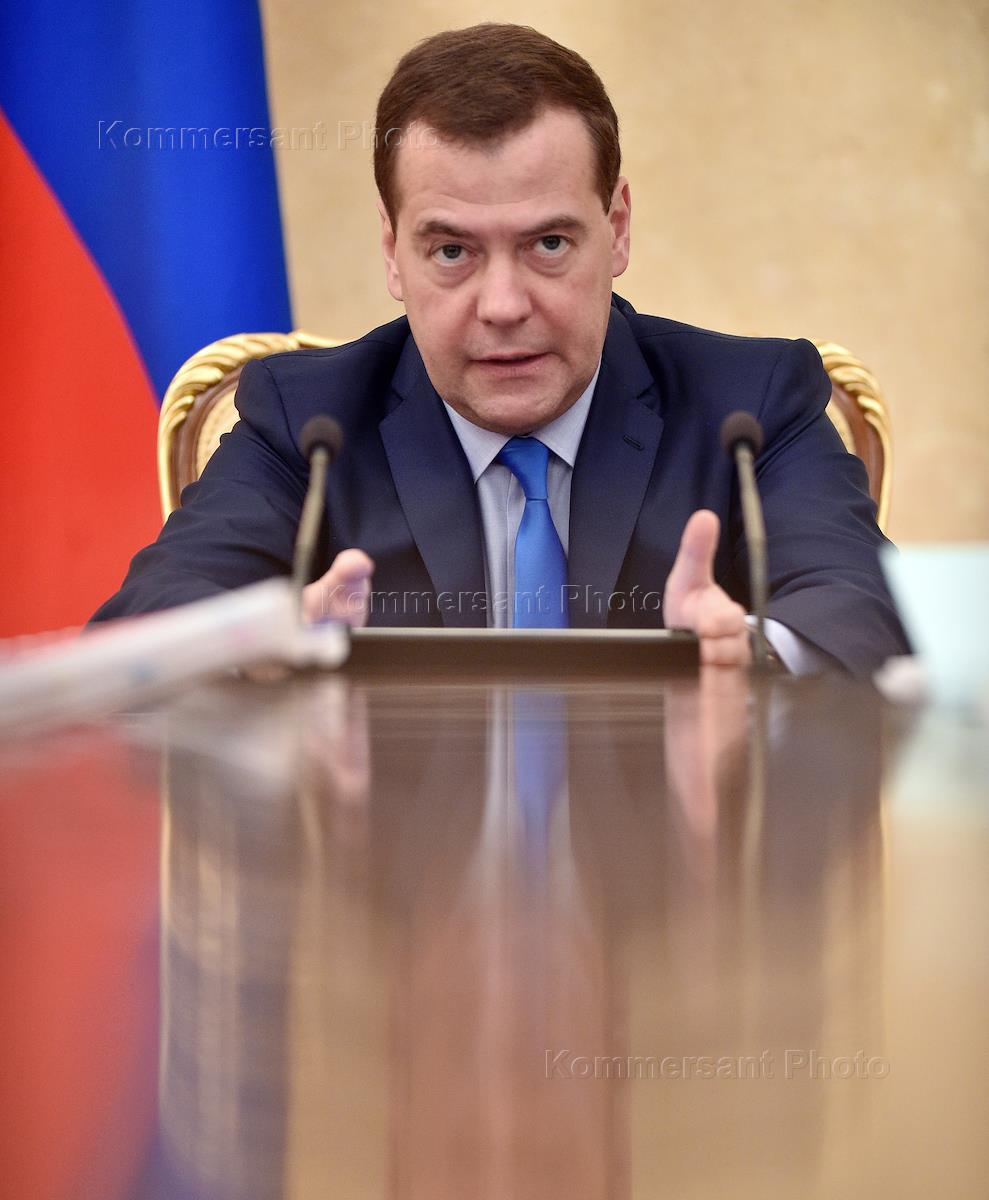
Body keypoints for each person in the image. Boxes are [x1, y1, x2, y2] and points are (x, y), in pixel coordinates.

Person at [91, 23, 908, 675]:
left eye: (548, 243)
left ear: (617, 228)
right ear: (392, 252)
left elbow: (867, 606)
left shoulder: (747, 406)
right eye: (452, 251)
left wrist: (752, 655)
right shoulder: (307, 422)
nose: (504, 306)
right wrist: (251, 646)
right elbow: (142, 627)